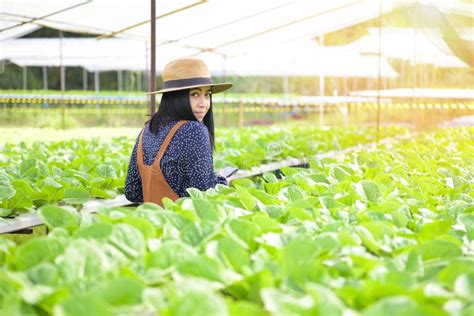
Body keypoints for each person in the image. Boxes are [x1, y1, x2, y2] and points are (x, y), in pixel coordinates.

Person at [125, 57, 233, 206]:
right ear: (176, 97)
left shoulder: (148, 129)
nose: (204, 104)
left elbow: (132, 191)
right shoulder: (194, 130)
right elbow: (204, 194)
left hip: (153, 224)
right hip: (184, 225)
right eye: (195, 94)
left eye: (207, 94)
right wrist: (222, 181)